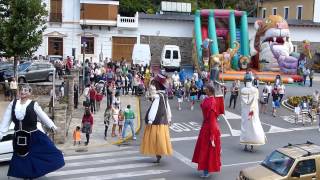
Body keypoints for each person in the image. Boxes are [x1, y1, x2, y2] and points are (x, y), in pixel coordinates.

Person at [0, 84, 65, 179]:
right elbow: (6, 120)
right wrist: (1, 134)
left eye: (26, 90)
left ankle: (31, 175)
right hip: (18, 138)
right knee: (21, 158)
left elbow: (43, 116)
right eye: (21, 89)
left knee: (39, 155)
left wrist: (53, 126)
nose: (23, 92)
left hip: (34, 136)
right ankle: (25, 176)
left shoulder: (33, 104)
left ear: (30, 93)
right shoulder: (13, 104)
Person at [192, 83, 225, 178]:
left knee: (205, 149)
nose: (204, 89)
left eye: (206, 89)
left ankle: (206, 170)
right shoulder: (211, 101)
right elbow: (212, 118)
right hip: (209, 126)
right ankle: (206, 170)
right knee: (208, 150)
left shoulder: (208, 101)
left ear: (210, 91)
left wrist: (212, 133)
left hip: (208, 127)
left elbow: (210, 118)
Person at [141, 74, 172, 163]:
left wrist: (150, 120)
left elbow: (154, 109)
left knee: (155, 139)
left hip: (156, 122)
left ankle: (158, 155)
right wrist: (169, 118)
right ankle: (159, 154)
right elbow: (167, 108)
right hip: (163, 121)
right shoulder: (164, 95)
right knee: (161, 139)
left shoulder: (158, 96)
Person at [240, 77, 266, 151]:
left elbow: (242, 101)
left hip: (245, 111)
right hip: (253, 111)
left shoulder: (242, 90)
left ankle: (245, 144)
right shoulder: (255, 90)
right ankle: (252, 145)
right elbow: (256, 99)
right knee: (253, 126)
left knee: (245, 127)